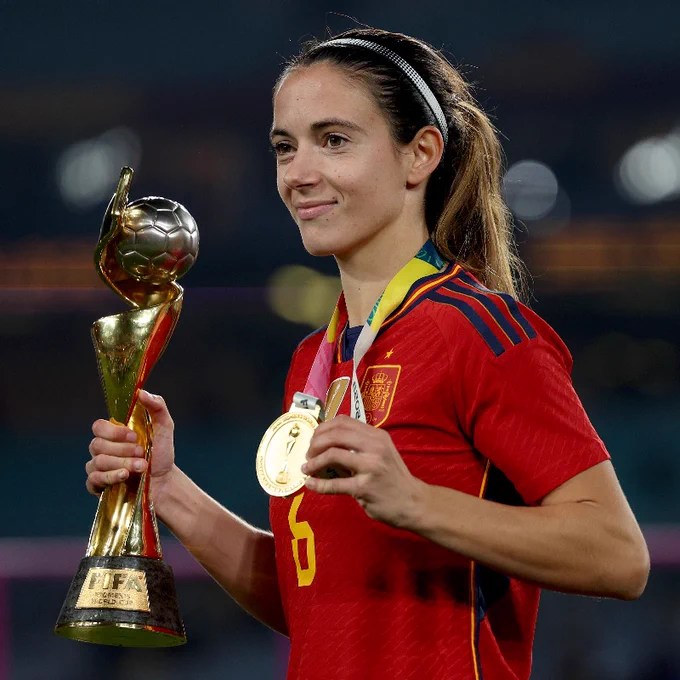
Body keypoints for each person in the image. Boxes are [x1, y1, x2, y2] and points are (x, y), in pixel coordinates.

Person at [86, 27, 649, 680]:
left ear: (420, 155)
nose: (299, 174)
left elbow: (619, 555)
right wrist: (168, 490)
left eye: (334, 140)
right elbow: (314, 604)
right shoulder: (315, 361)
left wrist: (414, 502)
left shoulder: (478, 333)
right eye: (285, 147)